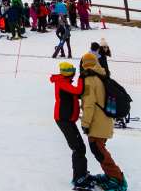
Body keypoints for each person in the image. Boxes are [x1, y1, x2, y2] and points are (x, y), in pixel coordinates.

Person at [80, 52, 126, 191]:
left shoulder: (89, 79)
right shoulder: (102, 75)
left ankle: (117, 179)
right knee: (100, 151)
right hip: (105, 121)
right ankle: (111, 175)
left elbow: (88, 104)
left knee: (100, 152)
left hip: (97, 123)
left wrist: (85, 124)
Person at [50, 61, 91, 190]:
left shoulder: (65, 82)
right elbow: (78, 90)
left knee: (79, 147)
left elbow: (77, 93)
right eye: (73, 70)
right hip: (63, 119)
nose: (74, 72)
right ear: (69, 73)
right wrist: (81, 78)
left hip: (67, 119)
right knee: (78, 148)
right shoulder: (62, 82)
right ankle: (79, 177)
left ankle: (81, 174)